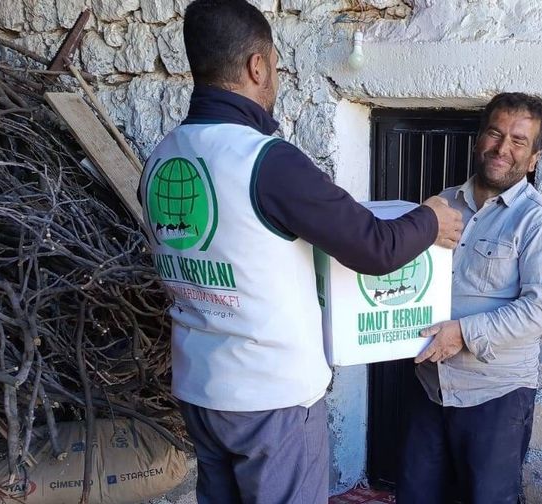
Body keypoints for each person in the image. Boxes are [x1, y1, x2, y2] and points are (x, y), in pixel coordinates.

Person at [137, 1, 462, 503]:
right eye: (275, 67)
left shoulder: (163, 157)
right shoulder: (266, 162)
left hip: (200, 390)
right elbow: (374, 247)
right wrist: (431, 219)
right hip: (272, 399)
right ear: (257, 66)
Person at [396, 93, 542, 504]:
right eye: (495, 133)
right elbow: (414, 277)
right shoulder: (443, 203)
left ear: (533, 158)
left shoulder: (537, 221)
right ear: (479, 139)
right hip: (430, 385)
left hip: (495, 395)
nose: (502, 148)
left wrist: (462, 333)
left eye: (518, 141)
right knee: (416, 495)